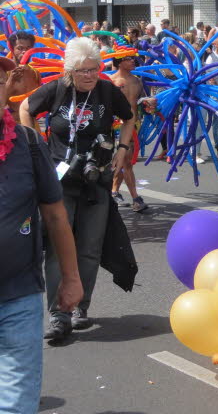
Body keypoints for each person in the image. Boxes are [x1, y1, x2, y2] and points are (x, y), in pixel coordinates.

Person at [20, 37, 135, 340]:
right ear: (70, 70)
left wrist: (122, 148)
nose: (89, 75)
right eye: (83, 70)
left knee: (89, 247)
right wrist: (37, 148)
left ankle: (80, 306)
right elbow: (25, 109)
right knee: (59, 246)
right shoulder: (58, 89)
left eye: (94, 69)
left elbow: (128, 117)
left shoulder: (107, 91)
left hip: (95, 178)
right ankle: (59, 313)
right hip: (59, 181)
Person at [0, 55, 82, 414]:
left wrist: (71, 279)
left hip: (19, 296)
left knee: (17, 404)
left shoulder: (28, 144)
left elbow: (55, 216)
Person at [109, 56, 149, 212]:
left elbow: (144, 101)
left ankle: (113, 191)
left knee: (126, 160)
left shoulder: (138, 81)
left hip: (134, 124)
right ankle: (136, 198)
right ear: (119, 62)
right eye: (128, 59)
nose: (133, 61)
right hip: (116, 124)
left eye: (133, 59)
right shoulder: (110, 81)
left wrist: (150, 104)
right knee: (126, 160)